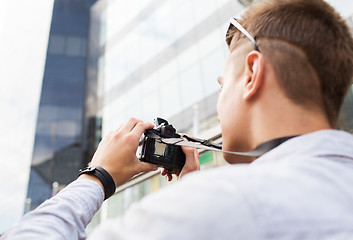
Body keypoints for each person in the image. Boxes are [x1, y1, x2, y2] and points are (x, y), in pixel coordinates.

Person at [2, 0, 353, 239]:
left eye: (221, 84)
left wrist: (99, 177)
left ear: (251, 73)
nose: (219, 99)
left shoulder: (230, 201)